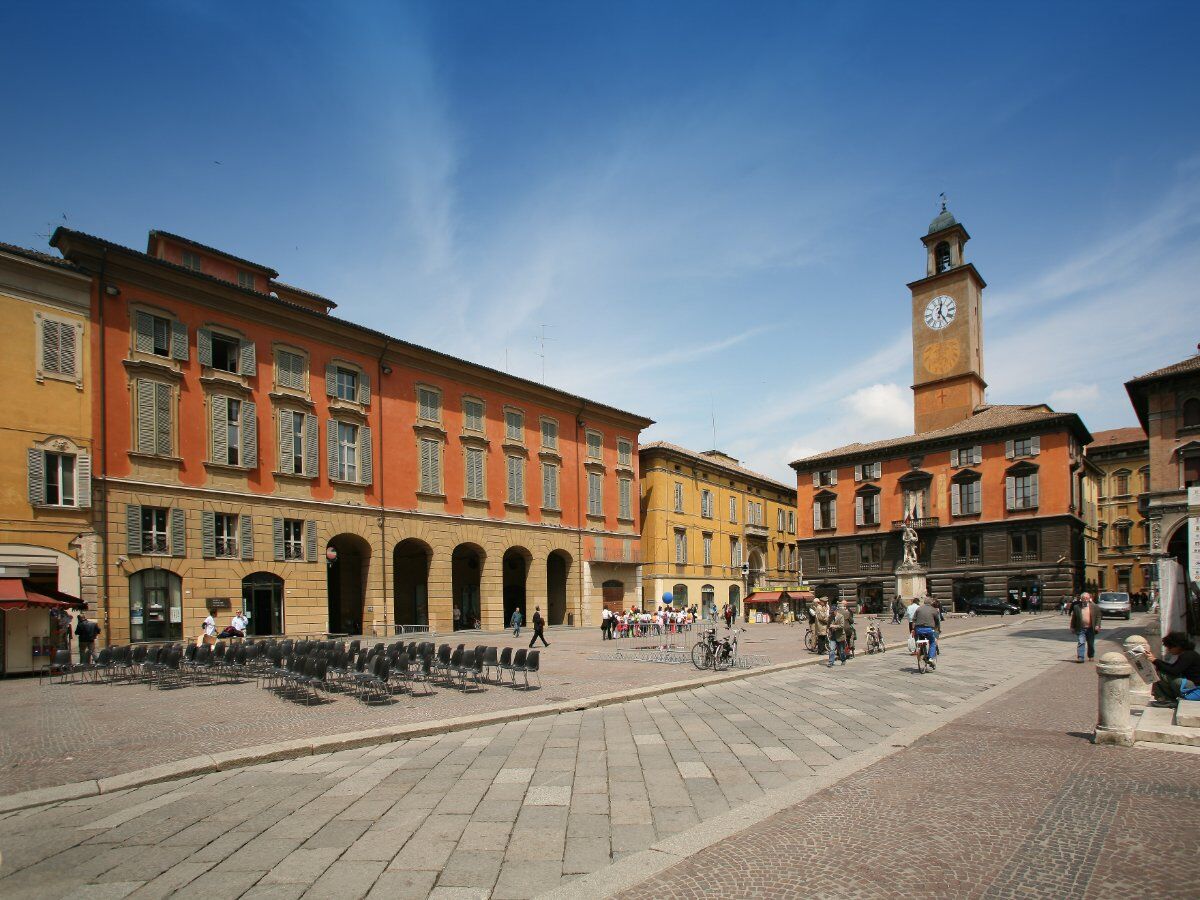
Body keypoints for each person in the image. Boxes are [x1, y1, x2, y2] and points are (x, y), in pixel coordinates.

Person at [1146, 633, 1200, 703]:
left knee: (1161, 675)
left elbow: (1174, 671)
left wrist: (1155, 660)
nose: (1168, 650)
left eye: (1170, 647)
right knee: (1161, 672)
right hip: (1192, 686)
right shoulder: (1187, 654)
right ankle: (1165, 699)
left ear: (1177, 646)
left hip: (1195, 688)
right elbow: (1172, 667)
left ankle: (1166, 699)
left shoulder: (1188, 655)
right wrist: (1154, 660)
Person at [1069, 593, 1101, 663]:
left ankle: (1091, 655)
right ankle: (1081, 657)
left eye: (1086, 598)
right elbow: (1074, 618)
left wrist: (1097, 625)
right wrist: (1072, 627)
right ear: (1081, 599)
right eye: (1084, 598)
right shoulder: (1077, 607)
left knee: (1090, 644)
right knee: (1081, 642)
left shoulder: (1094, 606)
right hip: (1081, 628)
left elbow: (1098, 616)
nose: (1085, 599)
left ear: (1089, 598)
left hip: (1090, 628)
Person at [911, 599, 941, 669]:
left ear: (924, 603)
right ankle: (930, 658)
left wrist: (913, 629)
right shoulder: (934, 610)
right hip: (929, 629)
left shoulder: (919, 609)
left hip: (918, 629)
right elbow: (937, 621)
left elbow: (914, 620)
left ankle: (921, 652)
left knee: (921, 639)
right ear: (931, 603)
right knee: (932, 642)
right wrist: (937, 629)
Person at [826, 602, 847, 667]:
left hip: (840, 635)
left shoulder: (841, 616)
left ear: (836, 610)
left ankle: (843, 660)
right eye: (831, 612)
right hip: (833, 635)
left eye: (833, 612)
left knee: (841, 651)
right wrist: (828, 629)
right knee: (832, 650)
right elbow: (828, 625)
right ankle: (830, 662)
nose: (832, 613)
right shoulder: (830, 617)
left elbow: (842, 626)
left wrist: (834, 626)